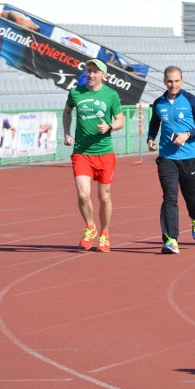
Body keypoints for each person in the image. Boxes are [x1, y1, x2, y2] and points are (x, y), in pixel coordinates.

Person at [147, 66, 195, 254]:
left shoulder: (191, 100)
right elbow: (154, 123)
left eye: (176, 81)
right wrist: (151, 139)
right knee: (170, 196)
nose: (173, 84)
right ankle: (171, 240)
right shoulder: (159, 103)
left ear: (181, 81)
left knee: (190, 195)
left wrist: (187, 134)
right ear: (164, 81)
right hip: (166, 157)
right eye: (169, 81)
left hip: (189, 156)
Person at [62, 58, 125, 253]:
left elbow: (120, 120)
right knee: (83, 194)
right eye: (88, 71)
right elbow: (67, 112)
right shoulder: (75, 93)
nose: (90, 75)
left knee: (104, 197)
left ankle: (105, 233)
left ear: (103, 76)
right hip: (81, 152)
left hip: (104, 153)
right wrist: (66, 132)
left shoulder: (111, 95)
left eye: (95, 72)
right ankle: (90, 226)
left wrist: (110, 127)